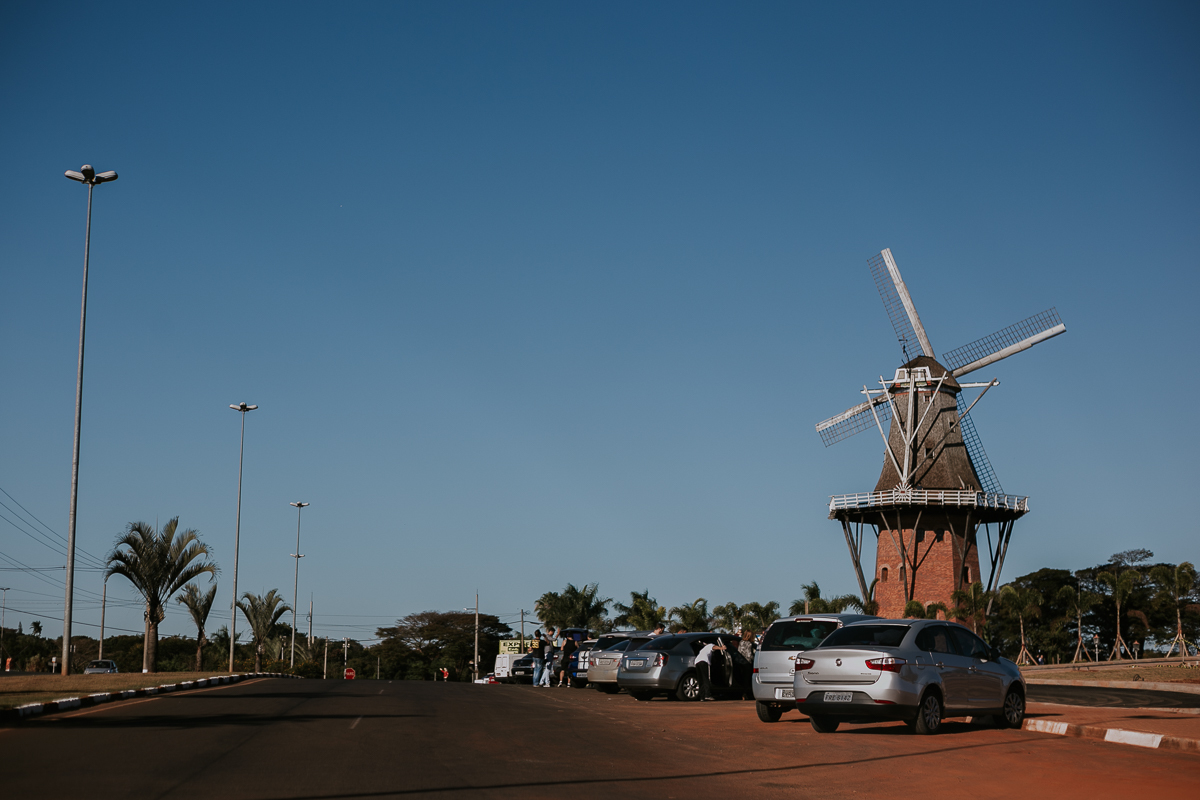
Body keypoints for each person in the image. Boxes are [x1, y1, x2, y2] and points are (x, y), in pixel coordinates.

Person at [733, 629, 756, 700]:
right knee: (747, 679)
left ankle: (740, 693)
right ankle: (745, 694)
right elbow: (749, 654)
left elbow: (739, 651)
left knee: (741, 679)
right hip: (747, 663)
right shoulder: (750, 644)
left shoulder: (741, 642)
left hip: (739, 662)